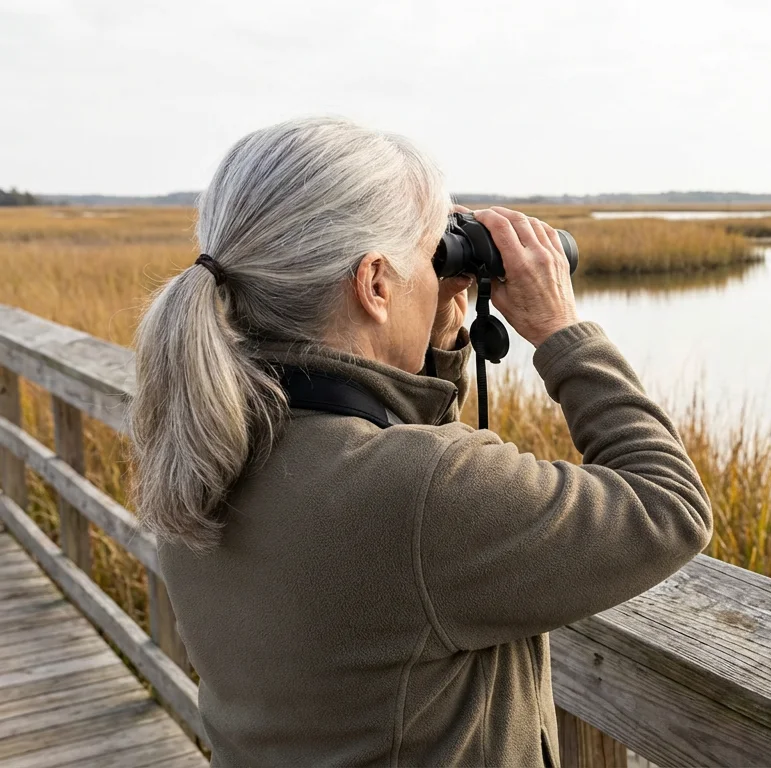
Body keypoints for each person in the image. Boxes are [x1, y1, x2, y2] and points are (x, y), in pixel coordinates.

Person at [129, 116, 712, 767]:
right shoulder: (413, 493)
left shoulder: (210, 445)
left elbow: (395, 508)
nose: (441, 275)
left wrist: (434, 347)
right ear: (376, 283)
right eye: (431, 256)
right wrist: (560, 330)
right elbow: (670, 507)